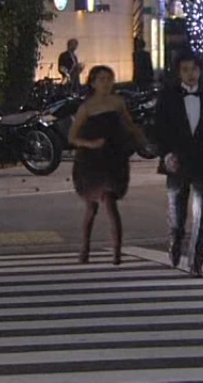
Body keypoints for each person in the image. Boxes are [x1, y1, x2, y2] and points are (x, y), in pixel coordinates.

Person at [149, 53, 203, 277]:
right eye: (185, 69)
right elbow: (158, 130)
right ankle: (175, 242)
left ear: (200, 71)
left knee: (202, 214)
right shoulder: (168, 97)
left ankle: (196, 262)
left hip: (201, 161)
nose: (190, 74)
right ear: (178, 73)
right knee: (177, 215)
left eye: (194, 69)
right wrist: (165, 155)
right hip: (176, 162)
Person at [68, 65, 141, 265]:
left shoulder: (117, 102)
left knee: (110, 202)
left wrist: (141, 139)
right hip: (91, 161)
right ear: (92, 83)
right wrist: (91, 144)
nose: (106, 83)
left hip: (114, 156)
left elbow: (129, 124)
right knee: (91, 208)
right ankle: (85, 248)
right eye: (101, 79)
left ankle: (117, 252)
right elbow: (72, 137)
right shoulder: (86, 107)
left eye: (109, 79)